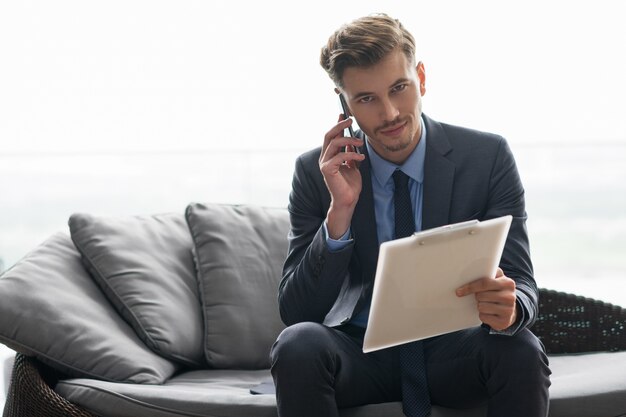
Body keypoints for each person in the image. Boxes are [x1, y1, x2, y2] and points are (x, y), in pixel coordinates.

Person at [270, 13, 551, 417]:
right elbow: (297, 312)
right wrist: (341, 211)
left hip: (452, 350)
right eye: (365, 98)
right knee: (298, 344)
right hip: (361, 353)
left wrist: (511, 307)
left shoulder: (486, 158)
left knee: (521, 348)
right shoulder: (317, 173)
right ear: (343, 102)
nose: (389, 114)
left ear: (420, 77)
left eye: (399, 88)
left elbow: (522, 282)